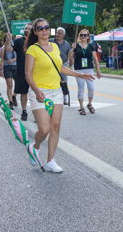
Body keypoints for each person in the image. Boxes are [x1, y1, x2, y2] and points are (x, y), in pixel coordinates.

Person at [24, 18, 94, 172]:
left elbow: (61, 67)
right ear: (35, 32)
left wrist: (80, 75)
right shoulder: (32, 50)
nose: (44, 30)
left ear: (50, 29)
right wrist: (36, 90)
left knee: (55, 127)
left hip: (56, 91)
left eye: (46, 27)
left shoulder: (54, 46)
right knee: (44, 129)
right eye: (40, 28)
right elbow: (28, 74)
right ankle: (35, 146)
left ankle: (50, 160)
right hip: (40, 92)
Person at [71, 28, 102, 115]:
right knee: (81, 88)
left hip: (89, 69)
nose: (83, 36)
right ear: (79, 36)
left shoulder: (91, 47)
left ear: (88, 37)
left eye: (85, 35)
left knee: (91, 88)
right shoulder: (76, 46)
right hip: (79, 70)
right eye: (81, 35)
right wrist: (72, 49)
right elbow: (69, 57)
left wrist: (98, 71)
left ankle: (89, 104)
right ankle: (81, 107)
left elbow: (95, 59)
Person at [13, 23, 32, 121]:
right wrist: (8, 41)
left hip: (35, 72)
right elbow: (8, 49)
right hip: (22, 71)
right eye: (26, 28)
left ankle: (38, 113)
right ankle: (24, 111)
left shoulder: (36, 42)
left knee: (36, 93)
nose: (27, 30)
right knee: (23, 93)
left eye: (29, 28)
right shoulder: (18, 41)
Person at [50, 27, 74, 105]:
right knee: (53, 81)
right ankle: (52, 97)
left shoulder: (66, 44)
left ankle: (64, 98)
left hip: (63, 64)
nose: (57, 34)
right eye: (57, 33)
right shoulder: (50, 42)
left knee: (64, 81)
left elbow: (69, 56)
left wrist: (72, 65)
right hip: (52, 65)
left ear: (63, 35)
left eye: (59, 33)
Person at [0, 33, 17, 109]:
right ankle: (10, 102)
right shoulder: (3, 48)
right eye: (7, 37)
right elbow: (2, 60)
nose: (8, 38)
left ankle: (14, 96)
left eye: (10, 37)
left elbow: (20, 57)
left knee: (18, 85)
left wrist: (13, 60)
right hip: (7, 67)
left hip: (16, 66)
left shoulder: (15, 46)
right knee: (9, 85)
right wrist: (1, 70)